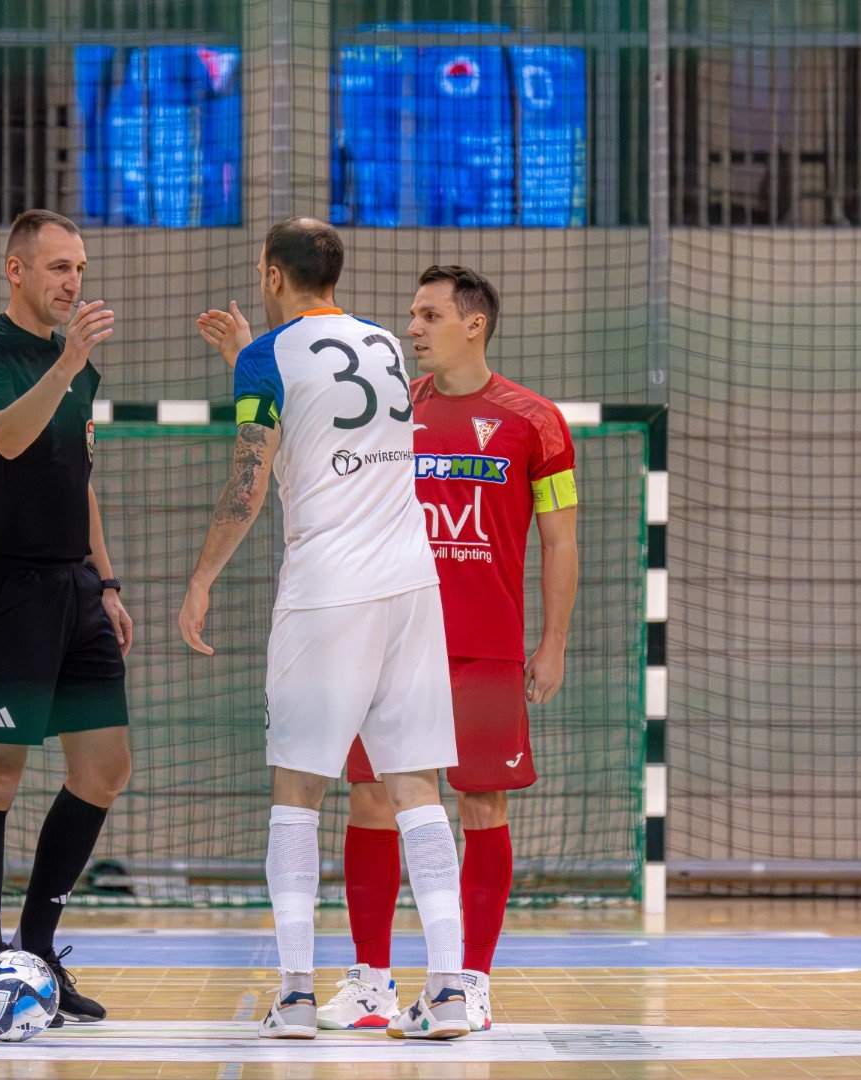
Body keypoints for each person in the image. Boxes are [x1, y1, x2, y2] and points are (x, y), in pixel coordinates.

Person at [184, 218, 469, 1041]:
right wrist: (250, 351)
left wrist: (202, 576)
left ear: (271, 272)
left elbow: (253, 469)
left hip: (326, 591)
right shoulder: (382, 342)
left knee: (298, 793)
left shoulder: (265, 358)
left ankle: (300, 995)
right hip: (412, 584)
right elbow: (323, 399)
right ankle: (449, 990)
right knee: (418, 790)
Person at [324, 266, 577, 1033]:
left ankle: (467, 984)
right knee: (370, 802)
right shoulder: (390, 414)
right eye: (411, 314)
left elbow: (561, 538)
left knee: (482, 804)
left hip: (486, 651)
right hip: (392, 645)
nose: (412, 328)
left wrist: (554, 642)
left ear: (475, 324)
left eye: (429, 315)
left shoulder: (536, 421)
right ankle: (371, 985)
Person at [0, 209, 132, 1028]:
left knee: (104, 768)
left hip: (74, 591)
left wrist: (109, 581)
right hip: (3, 589)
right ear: (16, 270)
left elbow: (77, 476)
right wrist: (70, 363)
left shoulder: (76, 367)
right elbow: (11, 440)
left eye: (81, 269)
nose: (73, 283)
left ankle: (38, 947)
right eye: (59, 267)